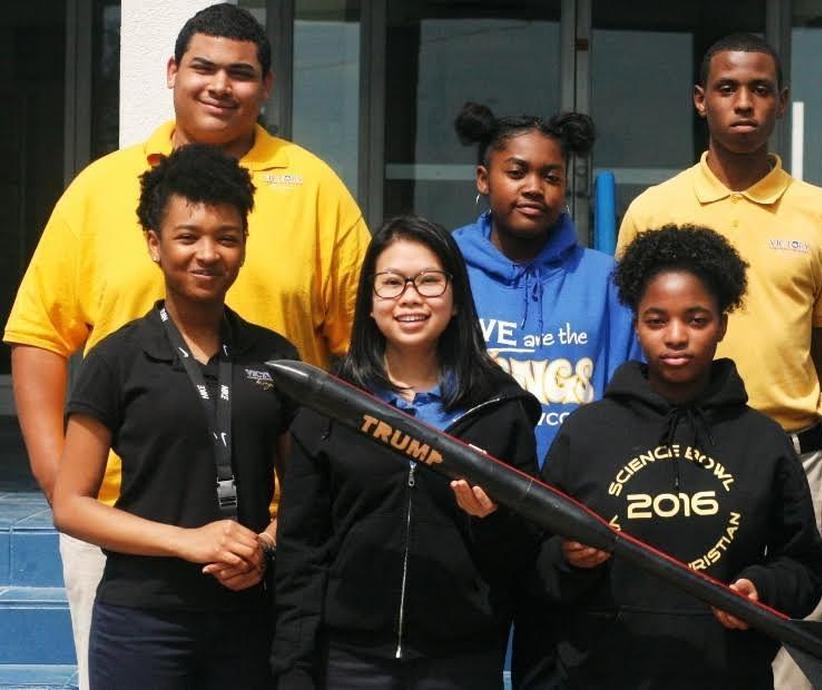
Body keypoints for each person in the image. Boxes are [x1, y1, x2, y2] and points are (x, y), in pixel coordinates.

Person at [3, 5, 370, 686]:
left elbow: (362, 349)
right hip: (123, 528)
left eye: (241, 72)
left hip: (271, 537)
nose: (219, 85)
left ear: (267, 86)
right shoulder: (100, 188)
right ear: (172, 73)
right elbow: (38, 333)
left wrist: (303, 515)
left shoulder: (312, 186)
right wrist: (62, 483)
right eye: (203, 67)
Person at [616, 32, 822, 688]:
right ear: (701, 101)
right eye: (726, 89)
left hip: (793, 454)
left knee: (791, 632)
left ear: (781, 102)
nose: (742, 103)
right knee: (681, 630)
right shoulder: (653, 211)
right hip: (678, 451)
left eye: (759, 90)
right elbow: (633, 333)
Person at [531, 224, 822, 689]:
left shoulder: (762, 439)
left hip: (729, 676)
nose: (676, 336)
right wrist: (570, 561)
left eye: (696, 319)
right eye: (656, 320)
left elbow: (805, 565)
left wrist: (762, 590)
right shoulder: (586, 434)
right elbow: (535, 560)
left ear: (723, 324)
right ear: (635, 324)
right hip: (603, 675)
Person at [51, 144, 296, 689]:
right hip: (143, 618)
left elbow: (308, 492)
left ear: (244, 246)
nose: (208, 254)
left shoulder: (276, 358)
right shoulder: (115, 358)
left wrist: (265, 546)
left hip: (251, 612)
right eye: (188, 237)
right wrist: (187, 541)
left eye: (226, 238)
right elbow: (71, 506)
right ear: (154, 244)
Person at [271, 216, 541, 690]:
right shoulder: (331, 406)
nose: (410, 297)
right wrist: (292, 669)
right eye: (391, 283)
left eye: (429, 281)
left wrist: (490, 519)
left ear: (456, 298)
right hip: (351, 661)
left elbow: (522, 558)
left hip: (462, 661)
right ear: (369, 303)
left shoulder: (500, 410)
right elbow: (302, 553)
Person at [453, 101, 639, 463]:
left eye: (551, 177)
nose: (534, 188)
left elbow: (632, 396)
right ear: (483, 178)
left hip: (581, 492)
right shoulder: (447, 271)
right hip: (467, 486)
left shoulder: (606, 280)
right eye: (517, 172)